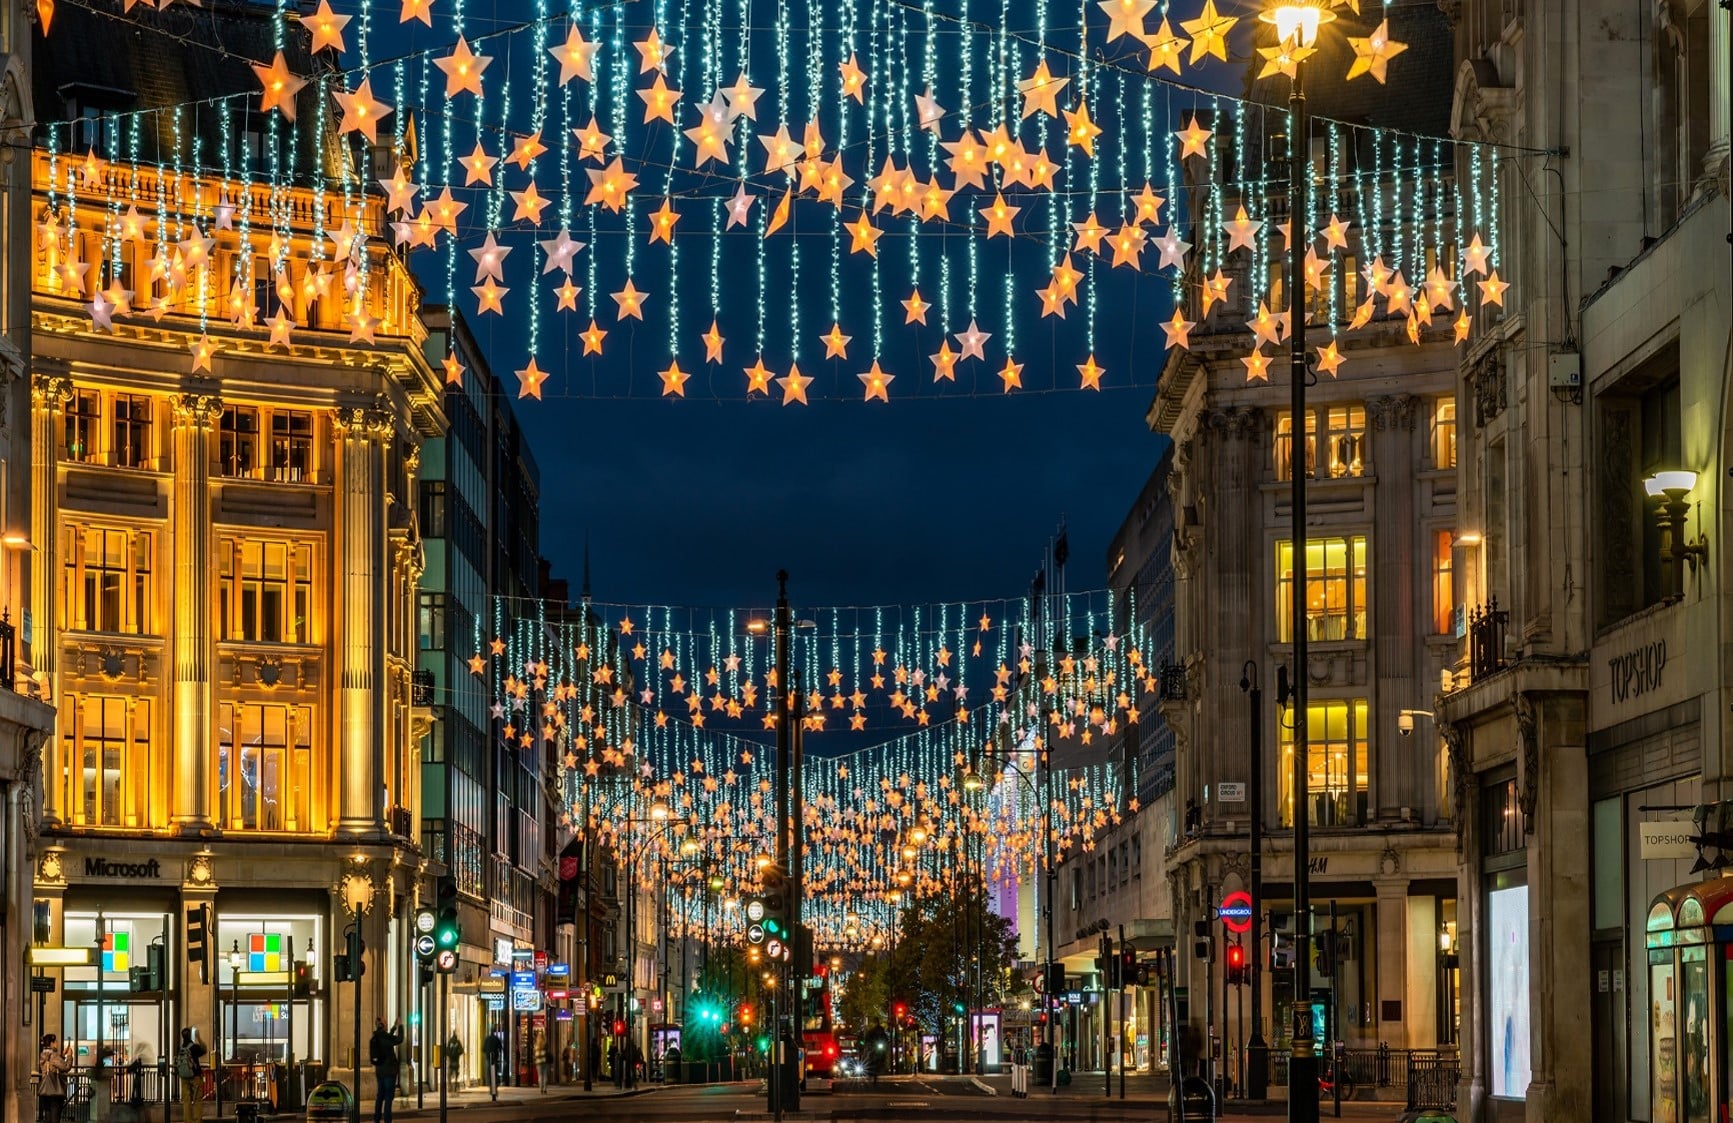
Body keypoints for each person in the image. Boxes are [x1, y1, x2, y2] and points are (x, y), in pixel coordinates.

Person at [368, 1018, 403, 1123]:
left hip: (380, 1071)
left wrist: (394, 1028)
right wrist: (400, 1026)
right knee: (388, 1097)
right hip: (389, 1072)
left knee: (380, 1096)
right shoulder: (385, 1038)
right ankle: (387, 1119)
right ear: (383, 1025)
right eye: (385, 1022)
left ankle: (377, 1118)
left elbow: (388, 1038)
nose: (386, 1024)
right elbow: (398, 1039)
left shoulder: (375, 1038)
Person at [175, 1029, 206, 1123]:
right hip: (195, 1076)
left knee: (186, 1101)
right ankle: (197, 1121)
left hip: (184, 1077)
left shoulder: (180, 1048)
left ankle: (187, 1121)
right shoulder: (194, 1047)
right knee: (197, 1099)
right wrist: (199, 1038)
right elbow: (204, 1050)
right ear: (190, 1036)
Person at [38, 1034, 69, 1123]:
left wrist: (62, 1056)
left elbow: (53, 1066)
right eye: (55, 1042)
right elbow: (66, 1067)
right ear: (51, 1043)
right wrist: (70, 1056)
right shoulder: (54, 1056)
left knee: (48, 1118)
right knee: (55, 1119)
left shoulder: (43, 1055)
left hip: (45, 1092)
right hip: (55, 1092)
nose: (57, 1043)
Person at [480, 1031, 502, 1101]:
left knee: (489, 1075)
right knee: (495, 1075)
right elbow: (500, 1048)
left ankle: (491, 1089)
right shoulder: (496, 1038)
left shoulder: (487, 1039)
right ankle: (494, 1089)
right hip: (494, 1059)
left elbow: (483, 1049)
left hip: (488, 1060)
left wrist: (487, 1054)